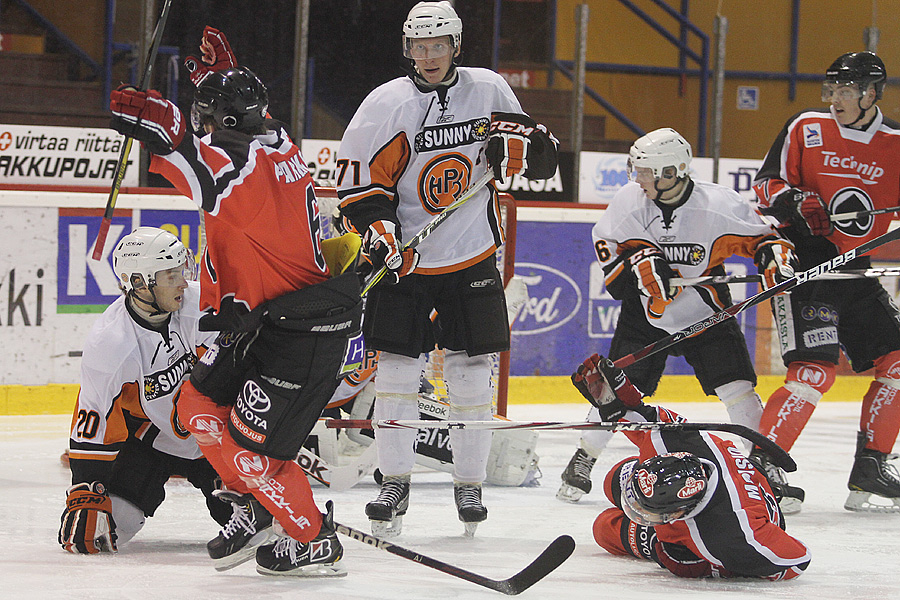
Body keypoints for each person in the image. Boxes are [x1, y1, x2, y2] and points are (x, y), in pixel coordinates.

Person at [108, 27, 362, 576]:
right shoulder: (272, 139)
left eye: (207, 116)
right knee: (197, 410)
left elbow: (205, 165)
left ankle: (313, 538)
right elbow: (241, 128)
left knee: (253, 457)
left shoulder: (245, 171)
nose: (202, 124)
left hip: (301, 334)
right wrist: (215, 85)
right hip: (256, 322)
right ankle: (255, 505)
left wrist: (168, 129)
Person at [336, 1, 558, 537]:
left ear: (456, 46)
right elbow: (357, 186)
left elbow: (544, 157)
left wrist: (521, 152)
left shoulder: (488, 89)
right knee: (394, 372)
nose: (429, 56)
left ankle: (469, 484)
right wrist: (382, 229)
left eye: (438, 45)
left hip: (473, 252)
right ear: (407, 49)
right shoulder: (385, 103)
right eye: (419, 46)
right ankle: (394, 482)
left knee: (471, 372)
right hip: (408, 259)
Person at [558, 127, 798, 503]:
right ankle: (583, 457)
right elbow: (607, 245)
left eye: (645, 172)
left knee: (738, 389)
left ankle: (759, 464)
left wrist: (776, 259)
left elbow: (766, 238)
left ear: (671, 172)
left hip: (705, 309)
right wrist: (635, 266)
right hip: (645, 314)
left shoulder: (717, 204)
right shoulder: (629, 201)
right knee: (614, 391)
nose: (637, 179)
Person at [752, 50, 900, 514]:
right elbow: (766, 185)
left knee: (897, 361)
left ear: (870, 94)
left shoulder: (896, 142)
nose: (833, 98)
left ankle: (872, 466)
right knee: (814, 372)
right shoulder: (805, 128)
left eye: (844, 90)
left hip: (856, 271)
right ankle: (762, 469)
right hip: (805, 270)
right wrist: (793, 201)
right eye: (831, 89)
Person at [59, 227, 233, 554]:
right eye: (170, 276)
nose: (183, 282)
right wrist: (86, 487)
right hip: (150, 442)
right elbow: (94, 415)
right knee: (100, 533)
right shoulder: (111, 343)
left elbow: (240, 375)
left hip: (216, 438)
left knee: (255, 518)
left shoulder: (203, 306)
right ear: (139, 283)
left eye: (182, 271)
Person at [571, 353, 811, 580]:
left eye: (650, 514)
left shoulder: (731, 538)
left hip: (748, 520)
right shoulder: (678, 443)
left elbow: (798, 560)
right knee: (612, 479)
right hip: (736, 492)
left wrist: (709, 565)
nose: (639, 513)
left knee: (603, 528)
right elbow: (645, 418)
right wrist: (613, 401)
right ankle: (649, 498)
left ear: (678, 514)